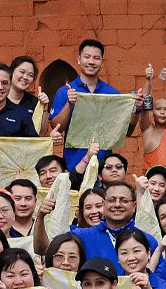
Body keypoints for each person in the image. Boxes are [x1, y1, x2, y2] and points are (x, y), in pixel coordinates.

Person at [51, 38, 120, 182]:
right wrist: (69, 104)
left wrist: (136, 108)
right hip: (74, 166)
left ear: (102, 62)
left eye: (96, 58)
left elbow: (126, 130)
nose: (91, 62)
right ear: (79, 59)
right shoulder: (65, 91)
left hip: (104, 169)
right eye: (87, 57)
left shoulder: (112, 93)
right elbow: (56, 127)